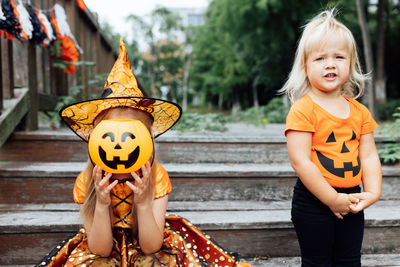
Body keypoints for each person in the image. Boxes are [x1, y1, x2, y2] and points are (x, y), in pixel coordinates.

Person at [36, 38, 251, 267]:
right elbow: (100, 249)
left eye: (130, 136)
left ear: (146, 140)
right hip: (103, 244)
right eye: (108, 137)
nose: (118, 147)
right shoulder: (87, 181)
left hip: (149, 240)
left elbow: (151, 247)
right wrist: (101, 203)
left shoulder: (156, 177)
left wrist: (143, 203)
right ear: (94, 141)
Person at [281, 10, 382, 267]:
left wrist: (372, 192)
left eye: (339, 57)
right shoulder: (304, 110)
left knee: (349, 260)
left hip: (352, 199)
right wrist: (331, 199)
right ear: (305, 66)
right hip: (313, 202)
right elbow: (301, 162)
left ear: (350, 63)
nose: (330, 64)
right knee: (318, 262)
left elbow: (368, 156)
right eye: (320, 58)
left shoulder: (359, 111)